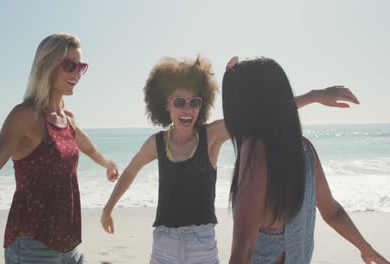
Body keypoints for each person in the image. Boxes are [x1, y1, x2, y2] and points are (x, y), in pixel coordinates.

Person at [100, 55, 359, 263]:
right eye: (179, 102)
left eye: (194, 102)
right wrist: (108, 208)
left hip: (202, 244)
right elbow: (131, 171)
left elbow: (265, 113)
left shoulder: (211, 135)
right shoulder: (156, 143)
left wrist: (314, 96)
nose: (187, 109)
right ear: (165, 105)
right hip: (163, 243)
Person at [0, 33, 119, 264]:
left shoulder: (68, 119)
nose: (77, 72)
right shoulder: (26, 116)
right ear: (47, 65)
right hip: (33, 247)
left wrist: (107, 163)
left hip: (70, 247)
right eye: (70, 65)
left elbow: (87, 147)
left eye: (81, 66)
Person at [222, 56, 389, 264]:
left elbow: (244, 250)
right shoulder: (304, 151)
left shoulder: (255, 151)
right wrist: (366, 248)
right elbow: (332, 211)